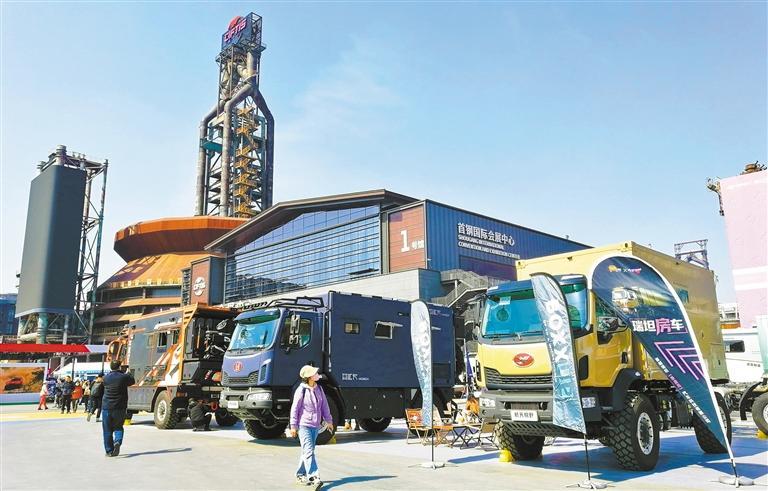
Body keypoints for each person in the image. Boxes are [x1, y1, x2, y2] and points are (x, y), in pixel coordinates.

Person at [290, 365, 333, 489]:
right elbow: (294, 409)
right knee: (309, 451)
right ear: (309, 377)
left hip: (315, 426)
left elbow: (325, 406)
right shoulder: (301, 390)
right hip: (304, 425)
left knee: (307, 451)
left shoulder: (319, 389)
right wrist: (293, 426)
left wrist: (329, 421)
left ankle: (300, 474)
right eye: (315, 373)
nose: (317, 374)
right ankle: (314, 477)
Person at [101, 361, 135, 457]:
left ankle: (109, 451)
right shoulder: (124, 377)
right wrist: (128, 372)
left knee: (107, 430)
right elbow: (132, 381)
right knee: (118, 427)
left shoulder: (106, 378)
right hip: (120, 407)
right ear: (119, 367)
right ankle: (117, 442)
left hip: (107, 406)